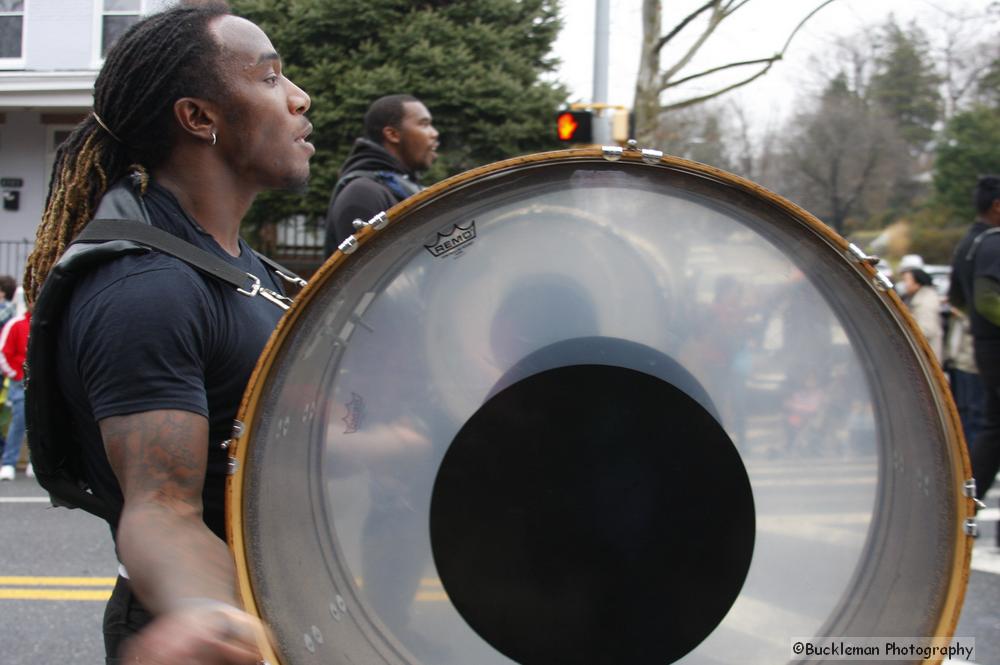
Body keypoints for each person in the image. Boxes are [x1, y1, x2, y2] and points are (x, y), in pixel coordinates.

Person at [23, 4, 313, 663]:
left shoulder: (246, 271)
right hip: (214, 636)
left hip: (283, 612)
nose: (299, 98)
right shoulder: (147, 289)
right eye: (269, 79)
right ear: (199, 118)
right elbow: (161, 509)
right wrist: (209, 615)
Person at [323, 94, 439, 254]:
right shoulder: (363, 193)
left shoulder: (399, 187)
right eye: (424, 124)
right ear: (392, 134)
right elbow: (366, 274)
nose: (434, 133)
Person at [949, 175, 1000, 511]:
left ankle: (964, 507)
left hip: (985, 346)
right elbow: (985, 299)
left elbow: (957, 298)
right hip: (996, 343)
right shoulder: (994, 242)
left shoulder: (968, 242)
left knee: (994, 431)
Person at [0, 304, 29, 481]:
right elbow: (3, 353)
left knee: (44, 421)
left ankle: (36, 463)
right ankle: (9, 462)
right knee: (18, 421)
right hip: (21, 381)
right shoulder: (16, 324)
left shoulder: (47, 322)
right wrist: (16, 374)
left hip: (43, 380)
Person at [898, 267, 943, 361]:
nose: (904, 284)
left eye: (907, 280)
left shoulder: (925, 302)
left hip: (925, 358)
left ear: (918, 282)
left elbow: (926, 331)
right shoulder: (914, 297)